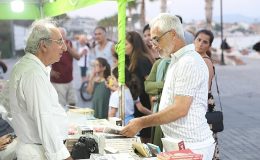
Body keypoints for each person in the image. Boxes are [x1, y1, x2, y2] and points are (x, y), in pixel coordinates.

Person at [121, 13, 215, 160]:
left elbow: (180, 109)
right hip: (178, 143)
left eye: (156, 39)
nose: (153, 44)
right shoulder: (176, 59)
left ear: (172, 34)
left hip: (192, 146)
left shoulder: (188, 61)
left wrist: (141, 122)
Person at [8, 19, 73, 160]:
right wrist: (63, 157)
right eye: (60, 42)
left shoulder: (30, 67)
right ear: (44, 45)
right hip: (38, 152)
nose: (65, 48)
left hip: (37, 148)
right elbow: (45, 120)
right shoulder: (33, 73)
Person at [194, 29, 220, 160]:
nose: (200, 44)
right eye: (198, 40)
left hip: (203, 103)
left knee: (206, 142)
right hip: (198, 102)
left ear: (209, 45)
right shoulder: (195, 58)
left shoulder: (206, 61)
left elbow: (206, 88)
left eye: (205, 42)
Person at [126, 31, 154, 143]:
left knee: (145, 140)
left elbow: (150, 84)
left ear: (134, 45)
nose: (123, 47)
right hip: (137, 104)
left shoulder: (142, 60)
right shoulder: (131, 59)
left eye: (126, 44)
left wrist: (152, 110)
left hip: (144, 104)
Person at [51, 27, 84, 107]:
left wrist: (68, 48)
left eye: (61, 34)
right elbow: (43, 60)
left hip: (70, 80)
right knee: (60, 106)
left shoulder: (69, 43)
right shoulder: (51, 45)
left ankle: (72, 119)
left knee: (73, 103)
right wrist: (50, 71)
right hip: (58, 82)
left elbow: (78, 57)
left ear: (65, 35)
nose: (60, 36)